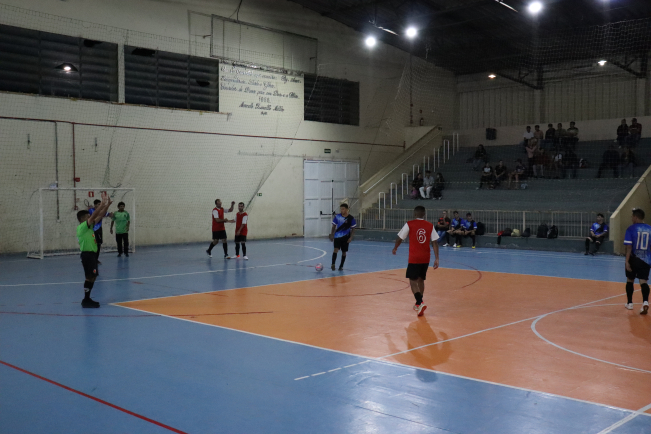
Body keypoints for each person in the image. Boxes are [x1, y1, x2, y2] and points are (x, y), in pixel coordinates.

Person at [392, 205, 440, 317]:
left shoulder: (409, 224)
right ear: (424, 214)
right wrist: (437, 258)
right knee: (421, 280)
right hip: (426, 258)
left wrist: (395, 248)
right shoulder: (430, 225)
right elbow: (435, 242)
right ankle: (419, 305)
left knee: (413, 280)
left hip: (414, 258)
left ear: (414, 214)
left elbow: (400, 238)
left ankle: (419, 302)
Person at [76, 191, 112, 308]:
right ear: (82, 219)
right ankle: (86, 299)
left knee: (93, 276)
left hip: (92, 255)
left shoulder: (89, 227)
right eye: (88, 217)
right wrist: (101, 204)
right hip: (87, 255)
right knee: (89, 277)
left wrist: (107, 205)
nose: (90, 218)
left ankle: (87, 298)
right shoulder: (82, 227)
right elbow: (95, 215)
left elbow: (100, 216)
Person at [623, 208, 650, 314]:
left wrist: (627, 261)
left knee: (630, 280)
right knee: (643, 281)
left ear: (635, 217)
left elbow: (629, 247)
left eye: (632, 216)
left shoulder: (631, 229)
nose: (631, 218)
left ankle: (630, 303)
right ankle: (645, 302)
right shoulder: (650, 229)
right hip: (646, 259)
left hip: (634, 258)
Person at [329, 203, 356, 270]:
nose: (341, 210)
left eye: (343, 209)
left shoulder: (351, 218)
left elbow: (353, 229)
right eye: (341, 209)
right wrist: (332, 234)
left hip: (346, 237)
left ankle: (341, 266)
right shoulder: (337, 216)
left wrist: (351, 237)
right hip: (337, 236)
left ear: (347, 209)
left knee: (344, 252)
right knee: (335, 249)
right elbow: (334, 226)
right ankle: (333, 264)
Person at [88, 199, 111, 264]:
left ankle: (96, 259)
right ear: (95, 205)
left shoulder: (102, 211)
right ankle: (88, 258)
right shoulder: (90, 210)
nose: (100, 205)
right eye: (99, 204)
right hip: (91, 230)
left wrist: (112, 214)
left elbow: (108, 214)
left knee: (98, 244)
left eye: (101, 204)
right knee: (91, 244)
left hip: (98, 229)